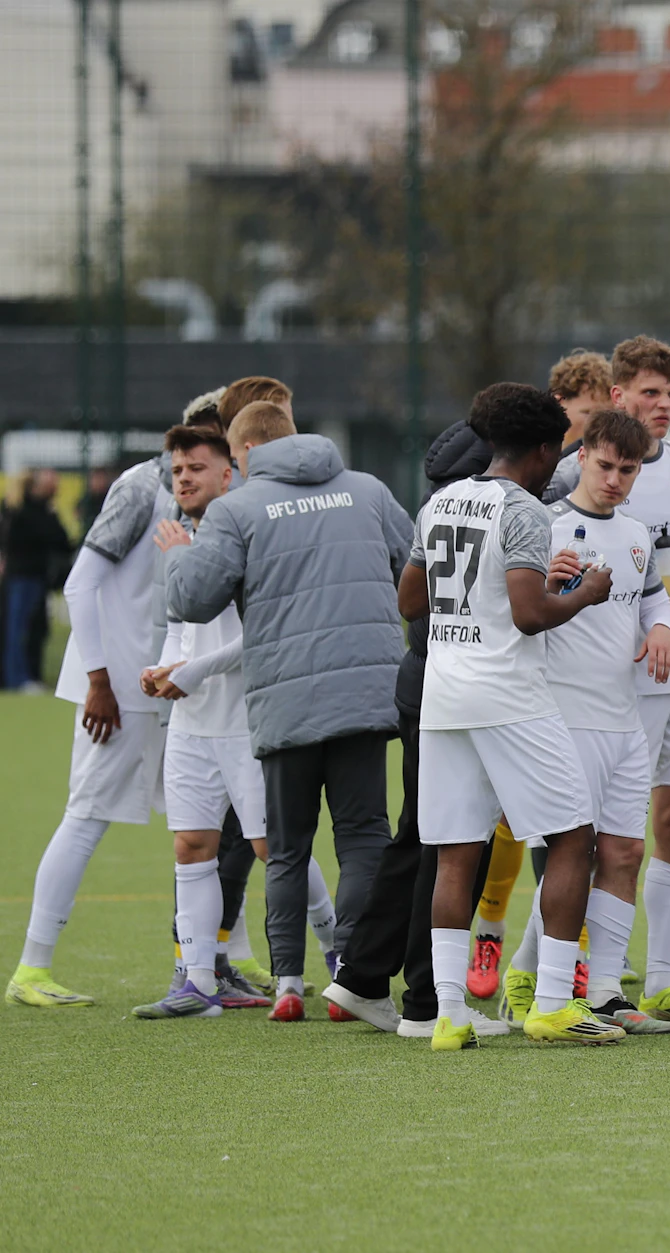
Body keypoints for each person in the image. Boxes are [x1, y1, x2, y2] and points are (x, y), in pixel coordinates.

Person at [165, 400, 412, 1021]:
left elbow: (192, 599)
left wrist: (177, 555)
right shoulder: (369, 491)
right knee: (362, 836)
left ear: (242, 453)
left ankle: (287, 986)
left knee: (287, 845)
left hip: (284, 700)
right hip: (365, 693)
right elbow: (415, 567)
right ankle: (354, 979)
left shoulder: (236, 506)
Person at [401, 383, 625, 1049]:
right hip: (507, 693)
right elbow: (530, 615)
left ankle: (446, 1015)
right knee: (572, 834)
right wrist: (584, 592)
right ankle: (553, 1003)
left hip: (444, 693)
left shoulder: (442, 501)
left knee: (454, 853)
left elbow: (411, 597)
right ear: (543, 449)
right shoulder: (526, 510)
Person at [325, 419, 509, 1039]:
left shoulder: (435, 507)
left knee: (420, 835)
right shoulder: (495, 509)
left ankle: (363, 975)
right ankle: (429, 997)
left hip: (419, 681)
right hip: (452, 686)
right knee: (453, 838)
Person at [509, 407, 670, 1036]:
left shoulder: (637, 534)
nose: (615, 479)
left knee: (625, 852)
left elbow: (656, 600)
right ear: (581, 457)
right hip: (563, 719)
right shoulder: (545, 528)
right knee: (568, 857)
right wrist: (548, 589)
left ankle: (606, 990)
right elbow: (516, 618)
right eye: (605, 465)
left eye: (627, 469)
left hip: (623, 724)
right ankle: (543, 987)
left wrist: (661, 630)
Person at [8, 424, 173, 1006]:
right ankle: (31, 969)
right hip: (124, 692)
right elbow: (82, 584)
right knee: (85, 817)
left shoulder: (216, 491)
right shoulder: (139, 489)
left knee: (220, 827)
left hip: (174, 689)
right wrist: (99, 681)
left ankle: (225, 961)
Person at [131, 427, 278, 1018]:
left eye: (196, 467)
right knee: (192, 846)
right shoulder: (182, 538)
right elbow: (180, 625)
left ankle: (342, 956)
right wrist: (163, 667)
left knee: (274, 847)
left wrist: (188, 673)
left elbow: (256, 637)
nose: (184, 478)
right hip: (192, 724)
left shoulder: (248, 533)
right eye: (176, 471)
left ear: (228, 473)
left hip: (245, 720)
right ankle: (196, 984)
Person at [3, 468, 72, 690]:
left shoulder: (26, 510)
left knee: (30, 629)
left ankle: (25, 675)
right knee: (18, 630)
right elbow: (56, 538)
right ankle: (17, 678)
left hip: (31, 577)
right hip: (23, 577)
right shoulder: (26, 512)